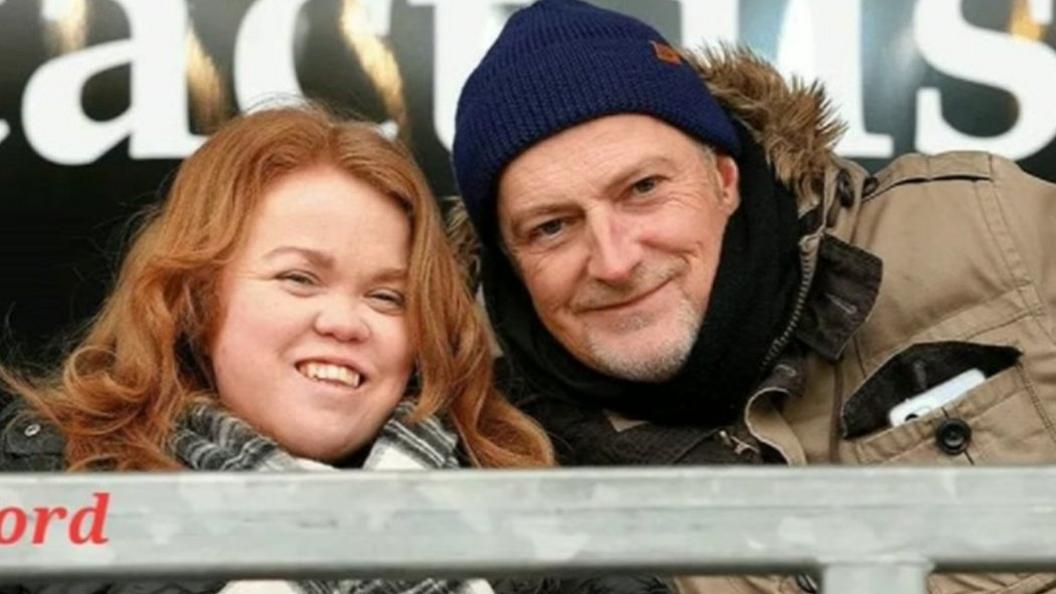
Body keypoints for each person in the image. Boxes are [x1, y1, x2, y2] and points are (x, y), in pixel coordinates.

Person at [450, 0, 1056, 592]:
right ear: (509, 261)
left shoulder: (988, 228)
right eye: (551, 227)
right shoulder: (492, 454)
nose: (615, 260)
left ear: (724, 179)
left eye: (643, 188)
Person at [0, 105, 554, 594]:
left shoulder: (529, 516)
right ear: (194, 296)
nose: (344, 322)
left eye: (387, 296)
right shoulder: (42, 493)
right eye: (299, 278)